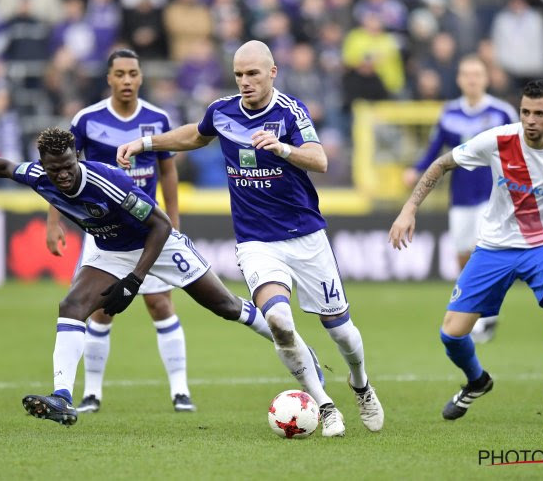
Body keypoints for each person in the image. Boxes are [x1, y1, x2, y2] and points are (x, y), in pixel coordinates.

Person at [0, 127, 276, 427]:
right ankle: (63, 398)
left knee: (226, 306)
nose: (62, 175)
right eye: (54, 169)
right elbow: (4, 167)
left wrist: (134, 281)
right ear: (44, 165)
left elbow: (160, 225)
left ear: (77, 157)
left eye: (68, 165)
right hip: (109, 249)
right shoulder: (40, 177)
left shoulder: (106, 181)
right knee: (72, 305)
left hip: (157, 245)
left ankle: (287, 338)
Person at [117, 40, 384, 437]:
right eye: (239, 74)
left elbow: (321, 159)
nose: (244, 81)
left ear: (272, 73)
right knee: (277, 318)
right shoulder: (222, 111)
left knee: (341, 330)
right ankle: (324, 406)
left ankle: (360, 384)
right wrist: (147, 143)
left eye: (253, 73)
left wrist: (283, 148)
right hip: (256, 241)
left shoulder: (291, 112)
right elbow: (196, 135)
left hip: (305, 236)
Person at [389, 80, 543, 426]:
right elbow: (441, 164)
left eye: (539, 113)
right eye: (525, 111)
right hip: (495, 247)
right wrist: (409, 209)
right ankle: (477, 380)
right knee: (451, 334)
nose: (530, 120)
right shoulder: (498, 140)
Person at [45, 49, 193, 413]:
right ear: (109, 78)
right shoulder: (86, 119)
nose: (127, 80)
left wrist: (174, 218)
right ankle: (91, 394)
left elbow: (168, 171)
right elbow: (59, 172)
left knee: (160, 304)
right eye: (120, 74)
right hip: (105, 231)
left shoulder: (158, 119)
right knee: (100, 309)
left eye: (133, 73)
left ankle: (180, 390)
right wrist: (54, 221)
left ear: (141, 77)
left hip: (147, 229)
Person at [403, 55, 517, 343]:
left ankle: (487, 317)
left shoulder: (501, 112)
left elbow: (518, 151)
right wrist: (417, 171)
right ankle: (472, 311)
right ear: (459, 79)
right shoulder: (449, 112)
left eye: (477, 74)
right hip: (460, 197)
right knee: (462, 257)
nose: (472, 79)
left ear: (486, 78)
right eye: (466, 74)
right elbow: (435, 150)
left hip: (492, 196)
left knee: (483, 253)